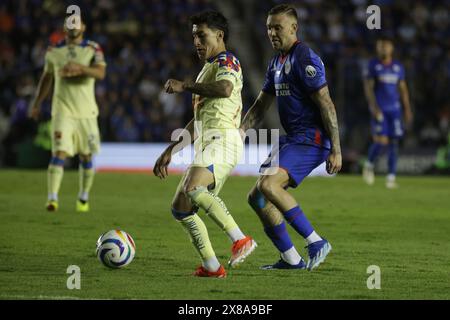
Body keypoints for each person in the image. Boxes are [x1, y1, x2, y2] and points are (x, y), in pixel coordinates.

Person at [153, 11, 256, 278]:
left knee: (194, 188)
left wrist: (183, 86)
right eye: (194, 36)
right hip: (207, 141)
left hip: (223, 139)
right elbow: (197, 123)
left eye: (202, 35)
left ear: (219, 35)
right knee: (181, 208)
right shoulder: (204, 72)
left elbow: (224, 89)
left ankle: (240, 239)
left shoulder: (227, 61)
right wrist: (170, 151)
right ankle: (212, 266)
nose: (196, 41)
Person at [240, 4, 342, 270]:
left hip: (312, 139)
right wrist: (241, 131)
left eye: (278, 27)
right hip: (292, 138)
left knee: (269, 186)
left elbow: (326, 103)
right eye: (269, 28)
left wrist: (337, 150)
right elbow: (261, 105)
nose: (272, 33)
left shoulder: (304, 57)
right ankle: (291, 258)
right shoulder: (276, 62)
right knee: (258, 198)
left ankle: (316, 241)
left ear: (294, 28)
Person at [29, 15, 106, 212]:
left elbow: (100, 73)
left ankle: (83, 197)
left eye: (77, 22)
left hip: (87, 113)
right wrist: (37, 103)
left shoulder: (93, 48)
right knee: (59, 153)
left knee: (86, 156)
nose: (73, 25)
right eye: (69, 22)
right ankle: (52, 199)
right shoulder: (53, 51)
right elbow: (46, 79)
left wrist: (79, 68)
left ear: (84, 27)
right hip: (62, 111)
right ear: (64, 27)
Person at [362, 36, 413, 188]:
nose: (383, 48)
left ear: (391, 49)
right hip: (381, 110)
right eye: (381, 46)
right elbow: (369, 89)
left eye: (386, 46)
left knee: (394, 143)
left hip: (395, 110)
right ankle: (369, 164)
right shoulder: (374, 65)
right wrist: (374, 107)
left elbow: (403, 89)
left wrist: (407, 108)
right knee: (381, 141)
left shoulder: (398, 67)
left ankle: (391, 177)